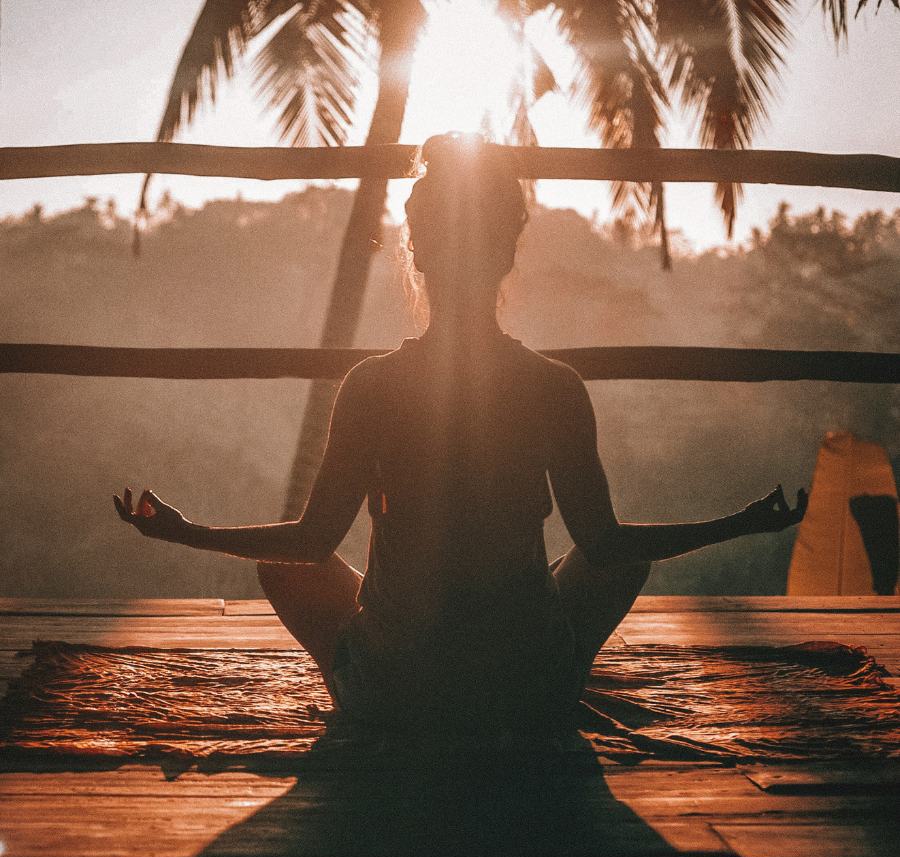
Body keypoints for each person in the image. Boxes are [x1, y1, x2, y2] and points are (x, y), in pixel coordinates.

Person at [115, 133, 807, 741]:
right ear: (506, 255)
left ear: (417, 254)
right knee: (621, 559)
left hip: (398, 694)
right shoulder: (553, 386)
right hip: (523, 692)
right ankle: (553, 679)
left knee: (284, 567)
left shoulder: (372, 385)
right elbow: (606, 544)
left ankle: (369, 694)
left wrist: (187, 532)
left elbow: (310, 543)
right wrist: (740, 523)